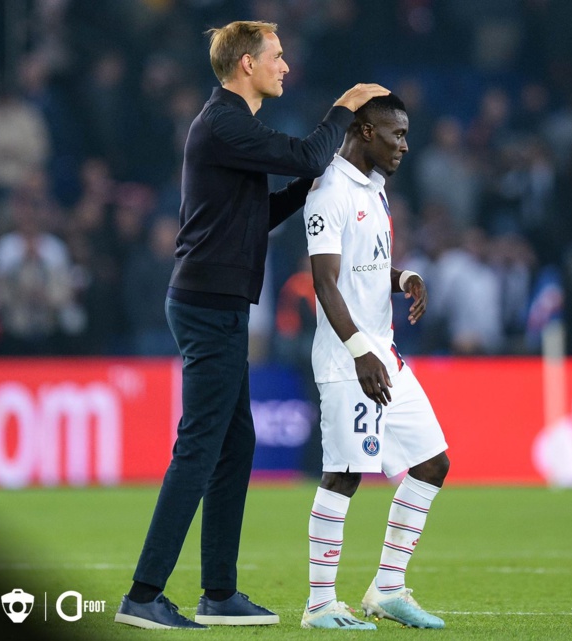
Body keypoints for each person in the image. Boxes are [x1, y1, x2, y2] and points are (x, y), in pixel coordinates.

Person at [114, 20, 389, 629]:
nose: (285, 65)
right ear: (245, 64)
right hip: (209, 305)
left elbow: (257, 212)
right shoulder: (225, 123)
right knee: (199, 447)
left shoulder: (227, 128)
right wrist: (343, 111)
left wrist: (311, 183)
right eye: (277, 56)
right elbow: (307, 152)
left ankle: (218, 594)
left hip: (215, 301)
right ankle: (144, 593)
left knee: (233, 444)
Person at [299, 93, 450, 630]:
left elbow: (367, 269)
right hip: (350, 361)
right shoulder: (329, 191)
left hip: (383, 352)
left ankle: (386, 589)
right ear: (364, 132)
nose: (404, 145)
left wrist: (402, 278)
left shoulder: (376, 190)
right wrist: (361, 351)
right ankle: (319, 604)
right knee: (343, 474)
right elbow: (325, 282)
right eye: (396, 135)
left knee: (433, 462)